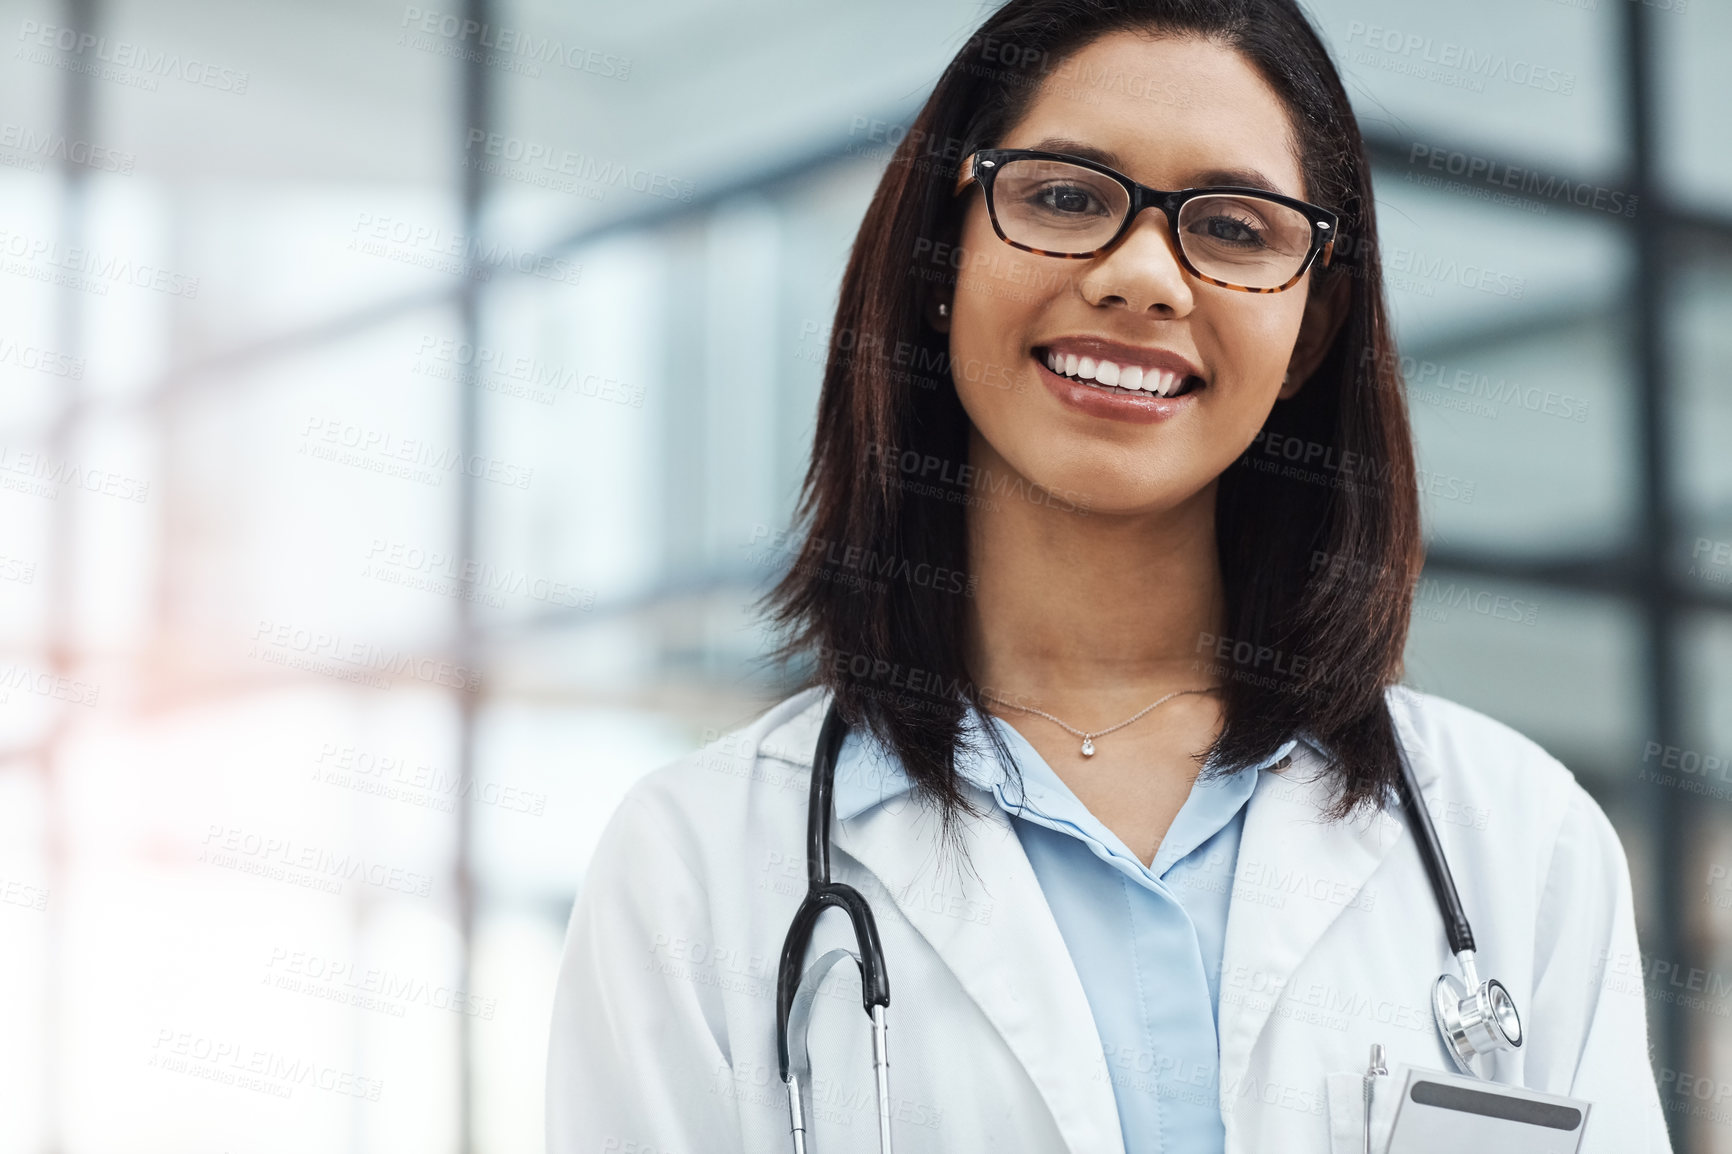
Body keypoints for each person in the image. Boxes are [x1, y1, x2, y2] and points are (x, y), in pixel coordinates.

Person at [545, 1, 1673, 1151]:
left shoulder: (1518, 838)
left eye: (1233, 227)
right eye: (1065, 197)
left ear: (1312, 329)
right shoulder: (695, 864)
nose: (1144, 278)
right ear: (942, 259)